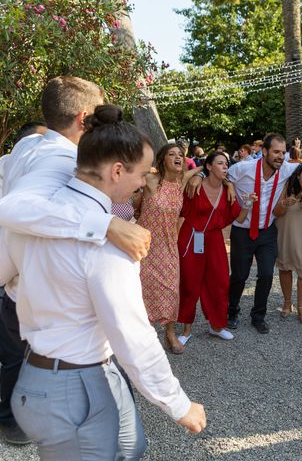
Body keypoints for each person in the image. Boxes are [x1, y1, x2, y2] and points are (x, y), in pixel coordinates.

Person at [0, 105, 205, 459]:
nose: (144, 182)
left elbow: (6, 276)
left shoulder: (32, 220)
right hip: (69, 384)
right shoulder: (112, 244)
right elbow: (134, 336)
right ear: (117, 170)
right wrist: (179, 404)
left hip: (52, 372)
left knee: (131, 447)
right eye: (141, 174)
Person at [0, 77, 150, 446]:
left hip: (17, 285)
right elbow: (13, 207)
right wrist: (106, 222)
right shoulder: (60, 157)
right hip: (41, 294)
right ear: (83, 118)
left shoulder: (29, 145)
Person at [224, 133, 300, 334]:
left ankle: (258, 316)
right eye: (276, 152)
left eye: (283, 152)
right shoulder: (243, 168)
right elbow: (221, 175)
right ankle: (231, 311)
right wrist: (228, 185)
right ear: (264, 151)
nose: (280, 156)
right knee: (239, 276)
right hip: (242, 231)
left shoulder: (285, 168)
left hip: (267, 232)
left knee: (266, 274)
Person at [134, 143, 200, 354]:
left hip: (169, 245)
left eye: (180, 154)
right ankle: (144, 334)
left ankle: (169, 332)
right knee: (142, 289)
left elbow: (203, 168)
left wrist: (201, 176)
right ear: (163, 159)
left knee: (171, 288)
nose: (177, 157)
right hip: (145, 244)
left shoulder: (182, 181)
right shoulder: (151, 180)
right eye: (171, 154)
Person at [178, 151, 248, 345]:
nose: (225, 166)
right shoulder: (195, 185)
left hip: (214, 239)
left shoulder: (228, 190)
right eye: (220, 163)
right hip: (192, 236)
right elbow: (178, 194)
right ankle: (186, 329)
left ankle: (216, 325)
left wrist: (248, 204)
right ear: (209, 166)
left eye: (226, 163)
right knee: (190, 282)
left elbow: (239, 218)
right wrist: (198, 174)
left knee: (219, 281)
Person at [274, 161, 302, 323]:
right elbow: (276, 212)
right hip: (286, 235)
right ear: (298, 175)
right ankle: (287, 302)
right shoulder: (287, 187)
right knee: (285, 268)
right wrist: (285, 203)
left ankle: (301, 306)